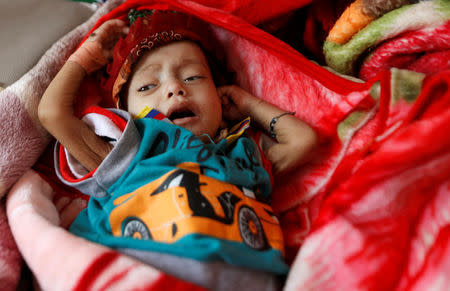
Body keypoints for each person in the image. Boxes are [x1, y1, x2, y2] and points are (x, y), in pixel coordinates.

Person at [38, 9, 318, 290]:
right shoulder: (131, 152)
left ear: (220, 97)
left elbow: (302, 142)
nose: (174, 87)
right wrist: (92, 52)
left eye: (194, 77)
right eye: (148, 86)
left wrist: (247, 104)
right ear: (125, 115)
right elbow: (52, 113)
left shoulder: (242, 155)